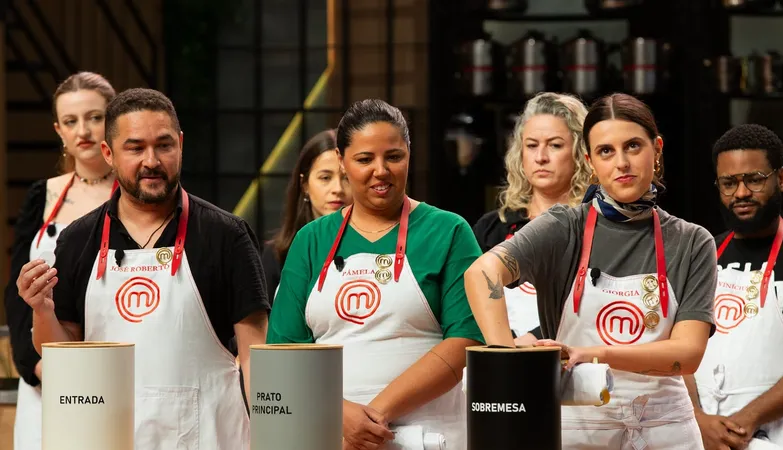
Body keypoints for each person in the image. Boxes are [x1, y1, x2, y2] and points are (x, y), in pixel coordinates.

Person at [16, 88, 268, 448]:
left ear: (180, 145)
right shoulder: (78, 239)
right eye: (135, 148)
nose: (152, 160)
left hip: (211, 436)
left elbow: (255, 357)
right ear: (109, 153)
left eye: (164, 145)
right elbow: (62, 354)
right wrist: (41, 309)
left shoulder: (226, 235)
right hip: (108, 436)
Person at [464, 93, 717, 449]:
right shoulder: (563, 227)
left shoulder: (692, 241)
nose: (622, 163)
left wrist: (593, 353)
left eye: (633, 146)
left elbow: (686, 355)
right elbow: (482, 274)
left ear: (656, 149)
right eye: (606, 151)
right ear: (589, 160)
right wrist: (507, 359)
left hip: (667, 429)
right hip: (579, 426)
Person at [266, 98, 485, 450]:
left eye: (394, 157)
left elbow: (467, 340)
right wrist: (341, 416)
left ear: (409, 156)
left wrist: (373, 415)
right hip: (330, 434)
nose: (380, 170)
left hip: (425, 435)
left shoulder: (449, 231)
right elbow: (282, 351)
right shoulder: (311, 240)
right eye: (365, 159)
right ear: (342, 161)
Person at [4, 71, 117, 450]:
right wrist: (36, 368)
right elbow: (17, 294)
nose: (83, 129)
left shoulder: (139, 195)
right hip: (48, 372)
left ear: (114, 120)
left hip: (115, 365)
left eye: (95, 117)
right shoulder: (42, 196)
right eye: (71, 121)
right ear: (59, 130)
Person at [685, 124, 783, 450]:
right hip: (701, 439)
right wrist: (697, 419)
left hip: (780, 439)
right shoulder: (699, 255)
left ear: (779, 179)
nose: (741, 193)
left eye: (754, 179)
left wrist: (745, 422)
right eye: (729, 183)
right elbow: (677, 348)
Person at [472, 92, 592, 345]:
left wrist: (533, 339)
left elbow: (597, 305)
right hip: (501, 359)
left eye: (555, 145)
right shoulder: (491, 228)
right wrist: (505, 345)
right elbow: (468, 304)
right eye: (532, 145)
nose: (541, 157)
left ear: (581, 153)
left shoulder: (596, 225)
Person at [261, 128, 352, 303]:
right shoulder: (277, 255)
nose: (338, 189)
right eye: (325, 178)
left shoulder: (378, 247)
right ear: (305, 185)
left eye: (346, 178)